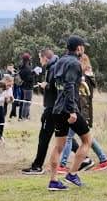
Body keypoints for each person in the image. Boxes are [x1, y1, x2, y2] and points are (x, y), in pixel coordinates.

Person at [47, 35, 93, 190]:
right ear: (79, 48)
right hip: (68, 109)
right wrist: (73, 111)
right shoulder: (75, 63)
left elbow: (55, 83)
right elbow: (69, 86)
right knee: (87, 141)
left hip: (57, 108)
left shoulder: (59, 61)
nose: (84, 49)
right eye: (83, 46)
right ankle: (72, 174)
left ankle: (53, 181)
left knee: (58, 146)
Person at [24, 48, 58, 172]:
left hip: (52, 107)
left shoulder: (53, 68)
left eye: (40, 58)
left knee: (44, 137)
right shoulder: (52, 67)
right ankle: (85, 159)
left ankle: (37, 166)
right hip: (54, 107)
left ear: (45, 57)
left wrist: (46, 85)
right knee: (62, 136)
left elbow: (56, 86)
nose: (39, 60)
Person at [12, 52, 36, 122]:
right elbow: (29, 79)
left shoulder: (21, 67)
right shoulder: (27, 68)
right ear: (28, 59)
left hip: (23, 87)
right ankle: (24, 117)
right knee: (27, 103)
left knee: (25, 102)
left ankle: (25, 116)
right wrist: (34, 73)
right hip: (28, 87)